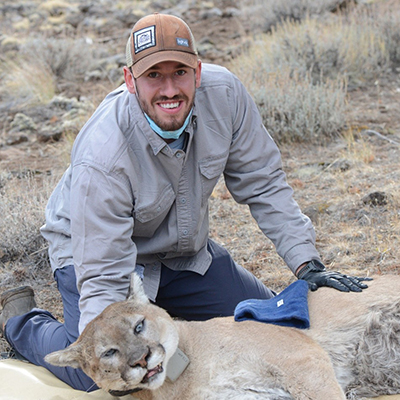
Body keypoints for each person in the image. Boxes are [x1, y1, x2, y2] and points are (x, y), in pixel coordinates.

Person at [0, 13, 369, 391]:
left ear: (199, 70)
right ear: (130, 80)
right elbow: (103, 272)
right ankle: (22, 322)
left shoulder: (225, 96)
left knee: (270, 325)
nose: (169, 89)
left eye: (179, 72)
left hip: (181, 253)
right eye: (153, 76)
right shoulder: (103, 155)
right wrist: (122, 350)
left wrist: (306, 263)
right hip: (95, 256)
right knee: (102, 376)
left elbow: (265, 183)